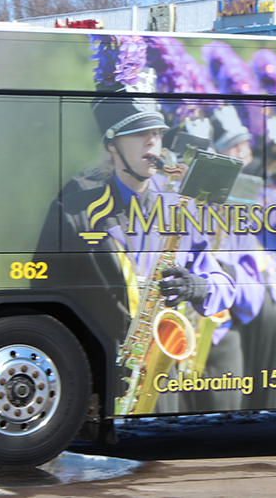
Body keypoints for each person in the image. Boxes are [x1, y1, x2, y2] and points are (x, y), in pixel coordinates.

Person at [35, 97, 235, 415]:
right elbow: (44, 300)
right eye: (138, 133)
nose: (151, 141)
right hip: (97, 374)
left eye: (156, 132)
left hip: (161, 378)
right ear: (112, 144)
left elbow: (225, 287)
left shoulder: (180, 210)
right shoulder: (72, 213)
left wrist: (196, 286)